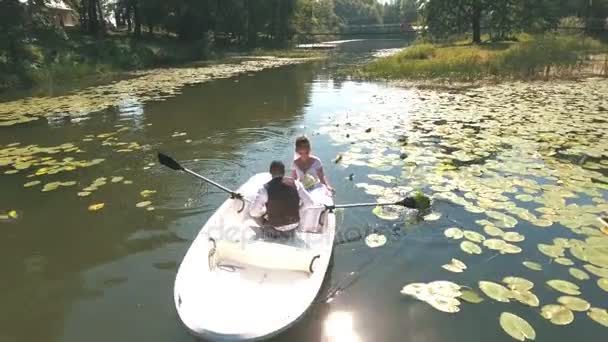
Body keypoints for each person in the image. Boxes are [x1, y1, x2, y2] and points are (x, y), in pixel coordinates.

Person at [250, 160, 316, 237]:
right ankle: (289, 231)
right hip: (294, 223)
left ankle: (267, 230)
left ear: (270, 172)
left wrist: (264, 212)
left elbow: (253, 212)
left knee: (253, 213)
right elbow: (310, 202)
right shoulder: (296, 184)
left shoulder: (264, 189)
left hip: (276, 226)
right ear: (284, 172)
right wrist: (299, 209)